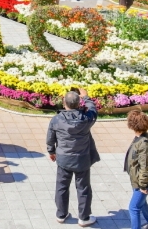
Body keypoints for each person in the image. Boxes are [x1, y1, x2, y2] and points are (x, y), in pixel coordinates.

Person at [45, 87, 99, 226]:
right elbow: (93, 109)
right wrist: (86, 97)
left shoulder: (57, 120)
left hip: (63, 158)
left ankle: (61, 215)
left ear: (64, 103)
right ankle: (84, 218)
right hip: (82, 159)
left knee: (62, 186)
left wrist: (51, 151)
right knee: (83, 188)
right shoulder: (87, 119)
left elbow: (50, 137)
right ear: (79, 103)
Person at [124, 110, 148, 229]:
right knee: (141, 203)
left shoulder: (144, 143)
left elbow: (146, 166)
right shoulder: (140, 137)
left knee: (133, 208)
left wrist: (142, 185)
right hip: (137, 179)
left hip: (143, 182)